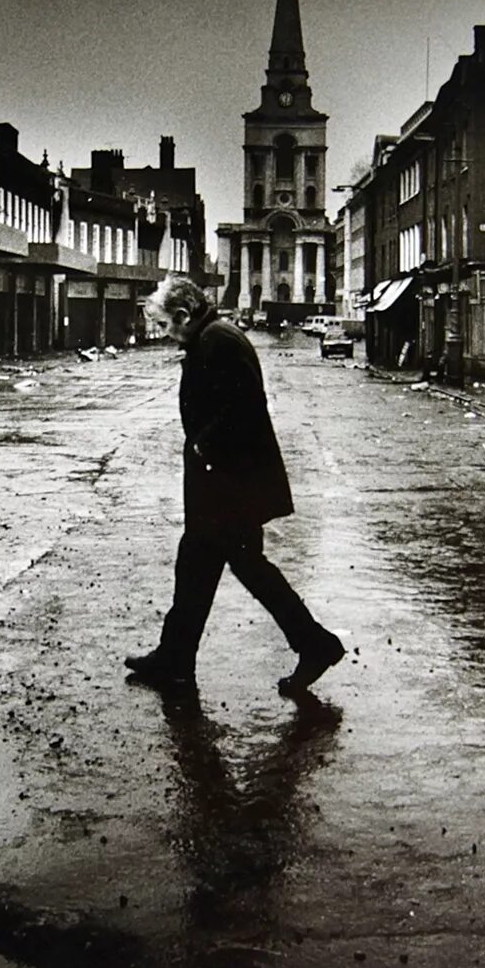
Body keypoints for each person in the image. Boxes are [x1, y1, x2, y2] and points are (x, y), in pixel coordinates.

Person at [125, 276, 347, 694]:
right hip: (223, 486)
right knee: (198, 566)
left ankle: (315, 643)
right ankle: (175, 657)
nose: (165, 334)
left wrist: (204, 447)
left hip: (231, 487)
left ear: (183, 315)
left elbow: (243, 409)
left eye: (166, 325)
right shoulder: (209, 338)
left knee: (245, 568)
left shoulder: (219, 341)